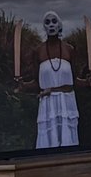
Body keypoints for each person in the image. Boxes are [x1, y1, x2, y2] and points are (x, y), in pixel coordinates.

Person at [33, 13, 80, 148]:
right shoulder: (38, 51)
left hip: (67, 102)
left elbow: (75, 81)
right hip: (48, 104)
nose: (51, 25)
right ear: (44, 27)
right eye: (47, 22)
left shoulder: (69, 49)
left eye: (54, 21)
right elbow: (36, 83)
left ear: (59, 25)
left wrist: (89, 81)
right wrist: (22, 85)